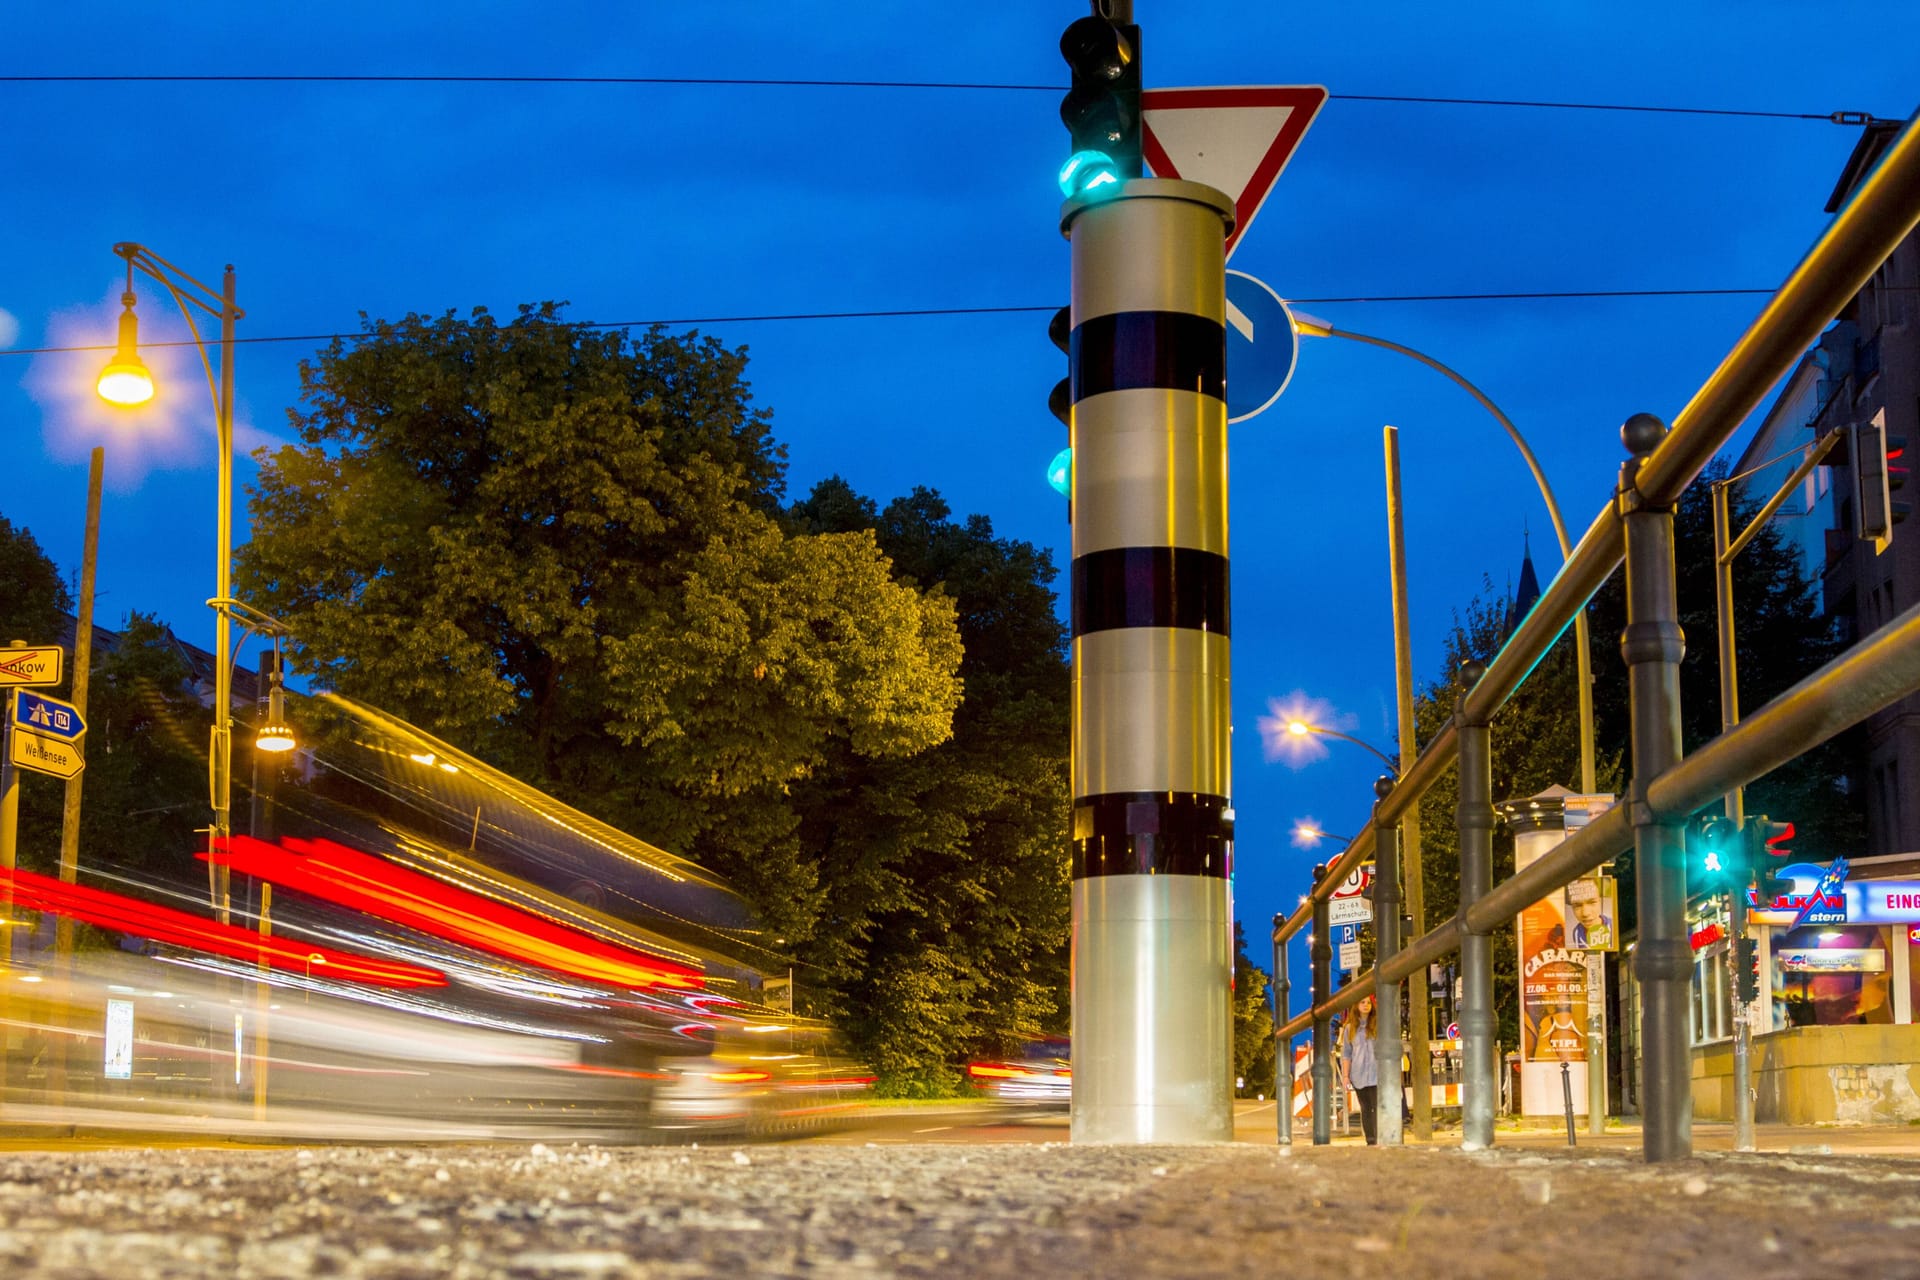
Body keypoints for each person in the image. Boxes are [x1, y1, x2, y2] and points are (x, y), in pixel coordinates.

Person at [1339, 992, 1379, 1144]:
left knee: (1377, 1107)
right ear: (1356, 1006)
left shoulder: (1377, 1024)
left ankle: (1378, 1138)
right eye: (1362, 1002)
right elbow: (1347, 1054)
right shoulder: (1350, 1028)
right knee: (1366, 1108)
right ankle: (1370, 1140)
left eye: (1368, 1002)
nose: (1366, 1005)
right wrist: (1345, 1076)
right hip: (1359, 1074)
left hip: (1376, 1074)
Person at [1566, 878, 1613, 950]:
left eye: (1592, 902)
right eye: (1577, 905)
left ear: (1600, 902)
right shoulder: (1577, 932)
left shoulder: (1613, 927)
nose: (1585, 913)